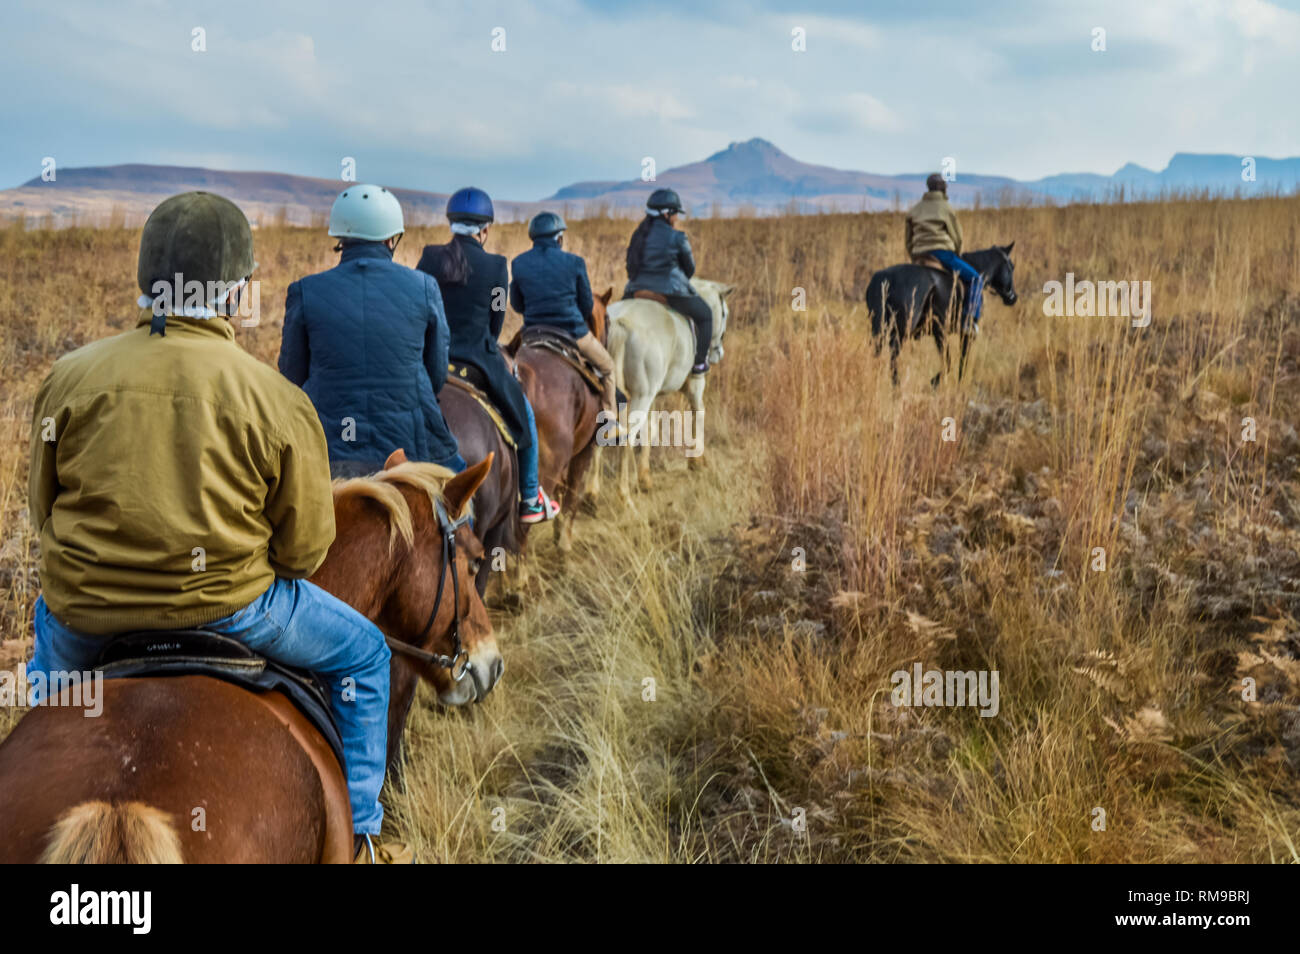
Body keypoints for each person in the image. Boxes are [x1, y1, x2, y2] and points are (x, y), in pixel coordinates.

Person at [26, 191, 405, 864]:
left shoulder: (69, 377)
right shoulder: (275, 398)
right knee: (367, 654)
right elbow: (305, 550)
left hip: (85, 614)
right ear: (236, 292)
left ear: (149, 281)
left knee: (42, 702)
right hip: (233, 609)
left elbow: (42, 510)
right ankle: (368, 833)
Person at [278, 184, 466, 479]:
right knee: (462, 488)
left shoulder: (306, 290)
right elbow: (437, 374)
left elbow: (291, 376)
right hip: (410, 445)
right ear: (392, 238)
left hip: (327, 445)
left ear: (341, 236)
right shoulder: (425, 287)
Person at [417, 188, 557, 524]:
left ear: (452, 224)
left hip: (427, 361)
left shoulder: (429, 258)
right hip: (478, 361)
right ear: (485, 229)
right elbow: (495, 323)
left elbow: (419, 306)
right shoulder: (496, 267)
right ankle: (529, 497)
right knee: (524, 418)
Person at [509, 212, 618, 425]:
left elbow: (516, 304)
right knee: (608, 367)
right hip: (572, 333)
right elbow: (587, 305)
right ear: (559, 238)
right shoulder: (575, 262)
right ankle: (610, 422)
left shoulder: (519, 263)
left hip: (532, 335)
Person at [623, 188, 712, 375]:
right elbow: (690, 269)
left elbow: (630, 267)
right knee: (705, 316)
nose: (677, 219)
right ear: (666, 213)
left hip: (636, 289)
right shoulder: (678, 237)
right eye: (676, 214)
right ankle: (699, 363)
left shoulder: (638, 236)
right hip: (670, 292)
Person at [905, 173, 984, 331]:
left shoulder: (915, 210)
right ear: (942, 189)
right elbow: (957, 237)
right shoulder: (946, 208)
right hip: (942, 254)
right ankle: (970, 320)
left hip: (919, 254)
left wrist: (914, 256)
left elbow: (908, 239)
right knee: (976, 279)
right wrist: (956, 254)